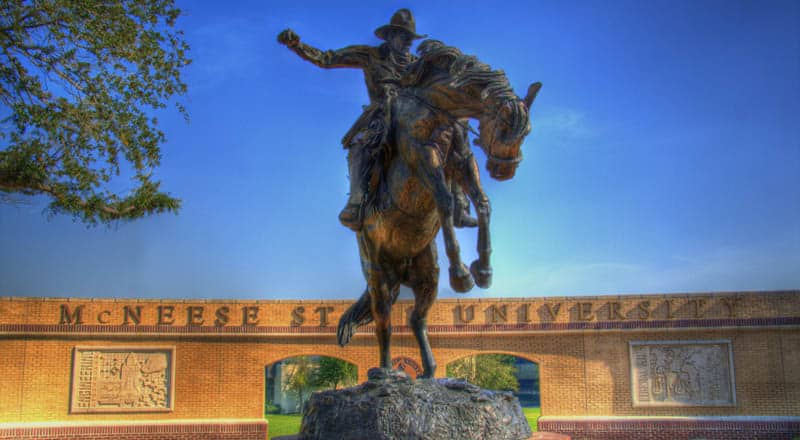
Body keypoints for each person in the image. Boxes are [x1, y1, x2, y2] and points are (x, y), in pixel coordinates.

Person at [278, 9, 476, 231]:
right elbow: (328, 59)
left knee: (455, 129)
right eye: (404, 37)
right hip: (383, 115)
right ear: (390, 36)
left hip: (414, 119)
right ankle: (356, 201)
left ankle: (459, 204)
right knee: (361, 144)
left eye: (410, 39)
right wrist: (297, 46)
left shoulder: (416, 64)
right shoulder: (370, 55)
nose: (408, 43)